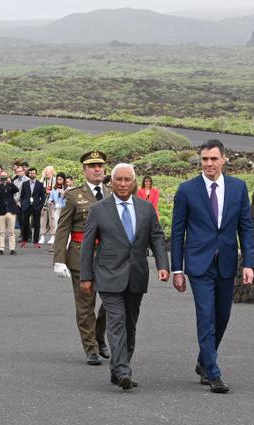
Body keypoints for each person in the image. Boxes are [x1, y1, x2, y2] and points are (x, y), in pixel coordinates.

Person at [171, 139, 254, 393]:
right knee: (206, 315)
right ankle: (213, 373)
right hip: (199, 264)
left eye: (213, 159)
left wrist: (248, 263)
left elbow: (246, 228)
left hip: (227, 262)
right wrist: (177, 269)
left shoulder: (238, 188)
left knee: (223, 316)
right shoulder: (187, 190)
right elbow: (177, 233)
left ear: (223, 160)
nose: (208, 163)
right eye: (204, 159)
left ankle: (203, 360)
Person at [79, 163, 170, 390]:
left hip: (137, 276)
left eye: (127, 180)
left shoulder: (146, 208)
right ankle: (122, 370)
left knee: (130, 325)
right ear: (111, 181)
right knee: (116, 322)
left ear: (134, 182)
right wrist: (86, 278)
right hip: (109, 276)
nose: (122, 184)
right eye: (118, 179)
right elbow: (87, 246)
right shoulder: (99, 209)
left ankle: (119, 367)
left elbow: (157, 237)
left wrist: (162, 264)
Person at [53, 151, 110, 366]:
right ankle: (91, 348)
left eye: (100, 165)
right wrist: (59, 259)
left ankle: (99, 334)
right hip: (80, 255)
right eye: (92, 166)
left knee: (111, 301)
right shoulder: (73, 195)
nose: (97, 169)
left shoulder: (112, 192)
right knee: (85, 305)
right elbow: (63, 229)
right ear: (84, 170)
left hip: (108, 257)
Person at [19, 167, 46, 247]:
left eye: (33, 173)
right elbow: (22, 196)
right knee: (25, 224)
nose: (32, 174)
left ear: (36, 174)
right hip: (26, 206)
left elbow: (43, 197)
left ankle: (36, 241)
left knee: (37, 225)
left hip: (36, 206)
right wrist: (22, 204)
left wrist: (40, 206)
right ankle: (24, 240)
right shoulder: (25, 184)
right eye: (30, 173)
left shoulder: (40, 184)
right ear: (28, 174)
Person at [0, 171, 19, 255]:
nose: (3, 178)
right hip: (1, 211)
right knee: (1, 231)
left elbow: (16, 190)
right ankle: (1, 248)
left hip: (11, 210)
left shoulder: (10, 186)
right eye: (2, 176)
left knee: (11, 231)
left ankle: (12, 248)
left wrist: (10, 182)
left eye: (5, 176)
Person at [47, 173, 67, 245]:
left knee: (63, 224)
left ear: (64, 180)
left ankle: (64, 240)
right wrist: (50, 202)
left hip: (64, 209)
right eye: (58, 179)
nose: (59, 181)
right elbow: (50, 199)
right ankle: (55, 238)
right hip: (56, 208)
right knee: (55, 223)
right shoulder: (54, 189)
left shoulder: (67, 188)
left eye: (60, 179)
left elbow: (70, 199)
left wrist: (64, 193)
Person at [38, 166, 55, 244]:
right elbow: (38, 187)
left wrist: (50, 192)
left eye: (48, 172)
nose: (47, 173)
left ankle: (53, 236)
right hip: (43, 201)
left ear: (52, 172)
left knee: (52, 218)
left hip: (52, 202)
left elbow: (56, 190)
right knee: (43, 219)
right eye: (45, 172)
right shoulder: (43, 180)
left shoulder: (54, 180)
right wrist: (42, 177)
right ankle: (42, 236)